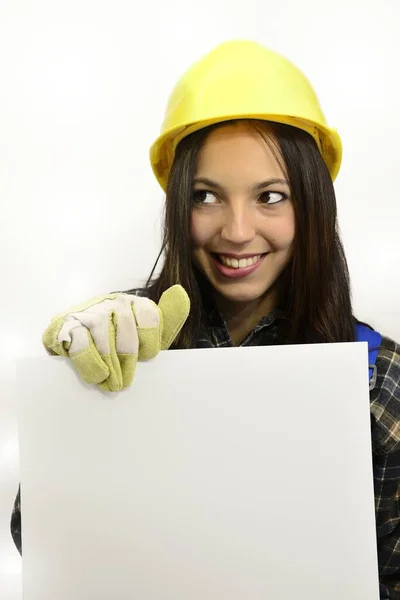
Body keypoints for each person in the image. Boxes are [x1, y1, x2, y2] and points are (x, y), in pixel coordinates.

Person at [11, 40, 400, 599]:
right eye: (205, 196)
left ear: (313, 205)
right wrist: (75, 391)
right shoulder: (122, 335)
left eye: (270, 196)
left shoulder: (377, 377)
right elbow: (37, 538)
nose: (237, 231)